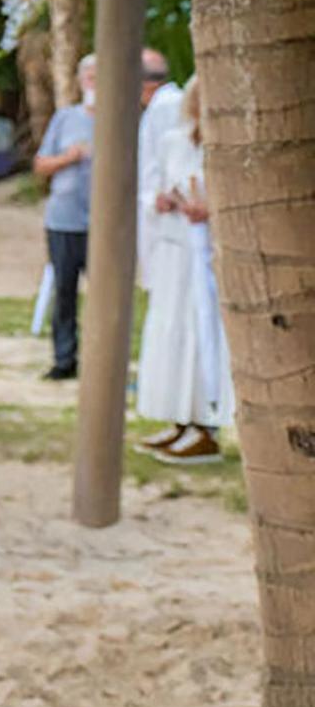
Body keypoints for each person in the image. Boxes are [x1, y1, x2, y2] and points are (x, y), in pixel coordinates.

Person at [135, 80, 233, 463]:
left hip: (207, 254)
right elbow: (154, 185)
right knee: (171, 335)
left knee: (203, 335)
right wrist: (160, 201)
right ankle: (178, 417)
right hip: (175, 250)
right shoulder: (174, 141)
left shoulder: (226, 148)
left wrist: (211, 212)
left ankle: (206, 424)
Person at [31, 55, 97, 382]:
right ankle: (64, 359)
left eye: (100, 76)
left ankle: (103, 361)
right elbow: (41, 164)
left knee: (103, 295)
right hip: (64, 220)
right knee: (64, 291)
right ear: (81, 81)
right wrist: (69, 158)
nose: (94, 82)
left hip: (103, 226)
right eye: (89, 77)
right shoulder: (65, 118)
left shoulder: (121, 119)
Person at [134, 49, 183, 295]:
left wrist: (165, 195)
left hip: (168, 212)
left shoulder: (167, 106)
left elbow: (175, 159)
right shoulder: (156, 107)